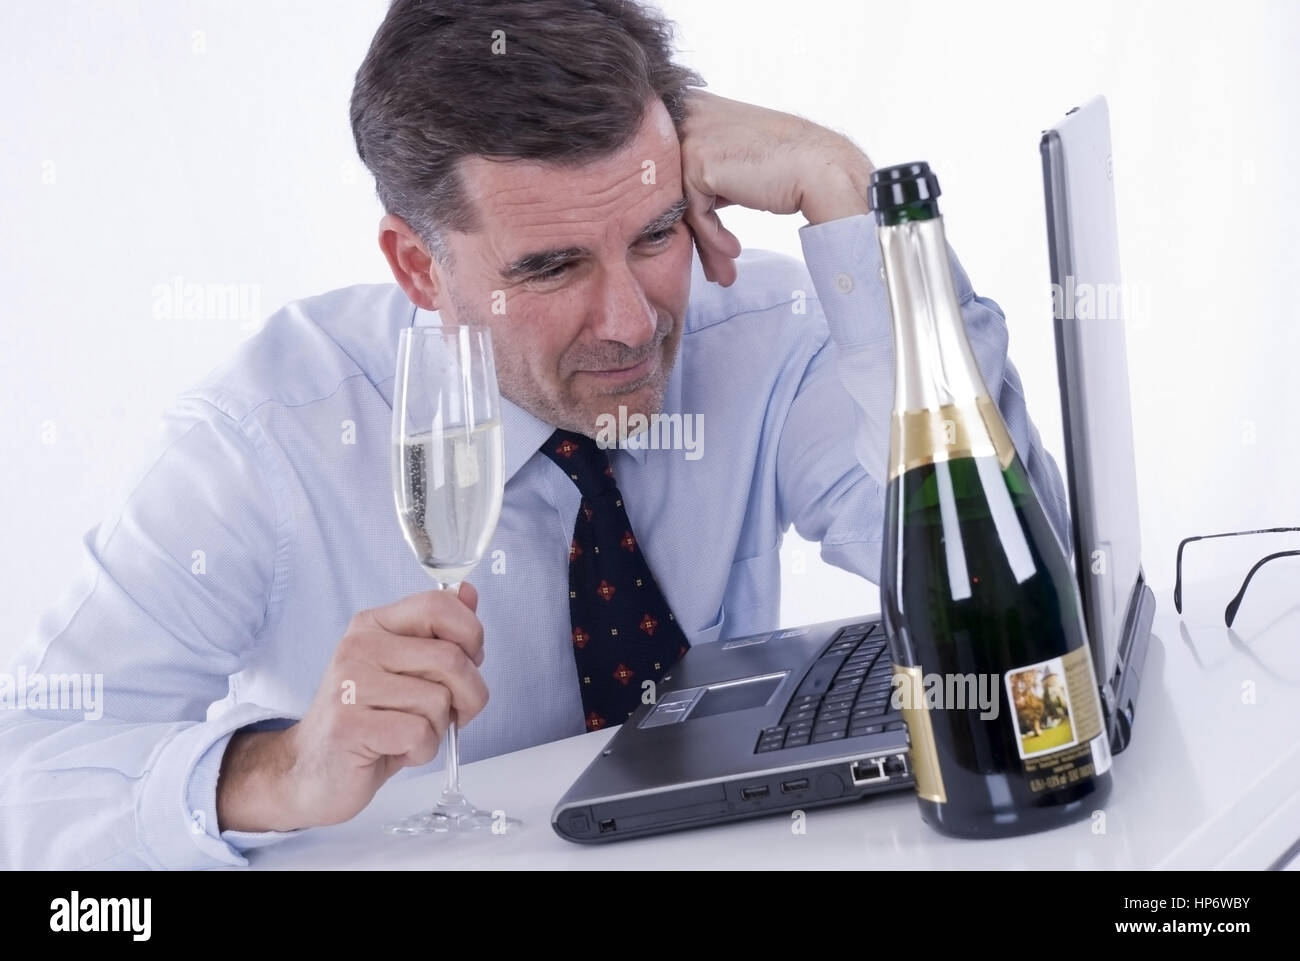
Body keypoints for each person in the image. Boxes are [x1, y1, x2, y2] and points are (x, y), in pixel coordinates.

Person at [0, 0, 1072, 869]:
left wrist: (848, 201)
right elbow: (29, 779)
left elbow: (1028, 600)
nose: (633, 320)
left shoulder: (775, 333)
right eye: (550, 266)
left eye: (654, 234)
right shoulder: (261, 440)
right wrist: (275, 771)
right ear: (418, 267)